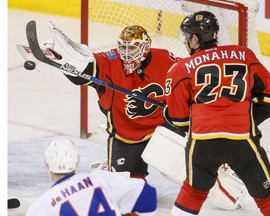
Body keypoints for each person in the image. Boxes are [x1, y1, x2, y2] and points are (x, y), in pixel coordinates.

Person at [164, 11, 270, 215]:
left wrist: (172, 113)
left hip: (203, 141)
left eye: (186, 36)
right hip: (242, 139)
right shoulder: (245, 56)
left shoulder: (180, 69)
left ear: (194, 38)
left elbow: (179, 120)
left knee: (193, 192)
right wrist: (245, 120)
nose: (185, 41)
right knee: (268, 196)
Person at [55, 24, 180, 180]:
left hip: (162, 128)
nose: (126, 54)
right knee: (129, 187)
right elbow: (84, 71)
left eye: (132, 48)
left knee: (185, 170)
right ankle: (110, 166)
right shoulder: (110, 60)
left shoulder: (165, 58)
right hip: (126, 135)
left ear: (145, 47)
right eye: (122, 47)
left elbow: (189, 76)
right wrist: (62, 59)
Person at [26, 139, 157, 216]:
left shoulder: (40, 207)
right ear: (76, 162)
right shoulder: (101, 179)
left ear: (47, 166)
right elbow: (148, 195)